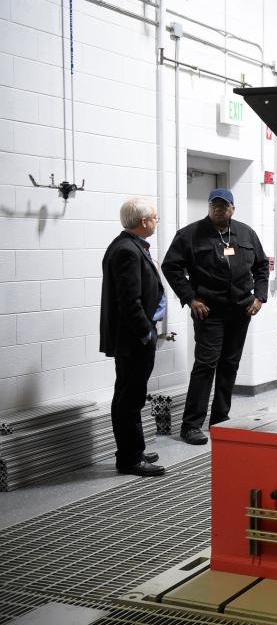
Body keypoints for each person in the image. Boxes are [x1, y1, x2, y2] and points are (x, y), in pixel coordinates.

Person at [162, 189, 269, 446]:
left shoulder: (246, 234)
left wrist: (260, 297)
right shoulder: (190, 235)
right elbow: (171, 266)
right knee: (206, 365)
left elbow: (262, 266)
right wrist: (190, 298)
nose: (218, 210)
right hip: (209, 311)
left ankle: (220, 419)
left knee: (230, 365)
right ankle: (191, 425)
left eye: (223, 206)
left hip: (241, 311)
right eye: (214, 205)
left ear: (233, 208)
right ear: (209, 207)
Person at [100, 199, 166, 476]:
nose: (156, 222)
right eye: (154, 218)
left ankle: (132, 450)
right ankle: (129, 459)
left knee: (130, 395)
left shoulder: (129, 246)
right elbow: (130, 301)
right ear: (143, 222)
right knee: (130, 397)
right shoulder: (128, 250)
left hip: (131, 337)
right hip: (133, 339)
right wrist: (144, 334)